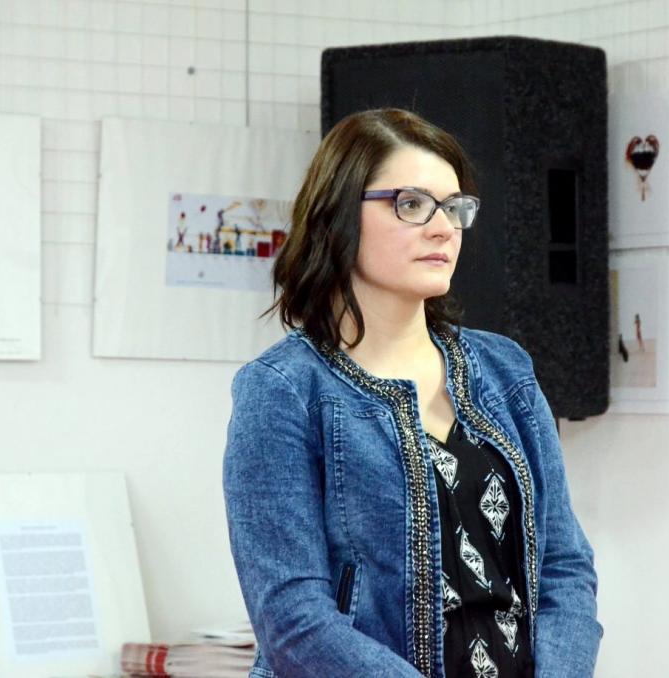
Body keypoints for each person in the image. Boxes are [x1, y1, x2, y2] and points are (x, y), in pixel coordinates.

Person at [223, 108, 602, 677]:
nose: (443, 228)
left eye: (454, 207)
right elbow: (292, 618)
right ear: (337, 214)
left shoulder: (505, 369)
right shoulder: (283, 390)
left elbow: (565, 568)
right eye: (411, 204)